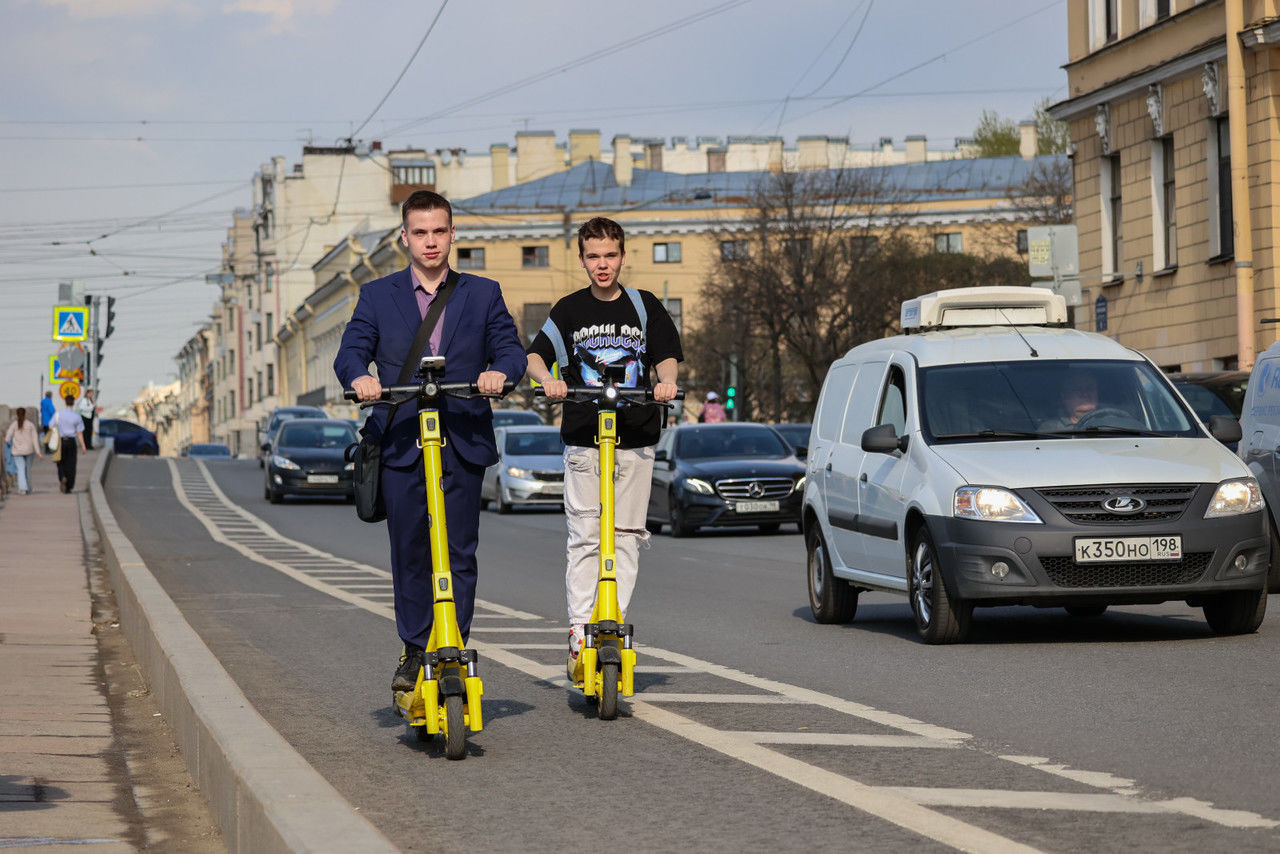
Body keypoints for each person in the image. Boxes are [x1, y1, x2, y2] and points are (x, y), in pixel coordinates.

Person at [334, 190, 527, 692]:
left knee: (460, 550)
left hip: (461, 437)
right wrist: (360, 378)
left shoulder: (481, 293)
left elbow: (510, 348)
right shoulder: (378, 296)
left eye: (439, 231)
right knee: (411, 551)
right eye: (420, 232)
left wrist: (498, 374)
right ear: (404, 238)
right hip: (401, 440)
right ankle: (416, 646)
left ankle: (453, 645)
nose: (430, 242)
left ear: (452, 234)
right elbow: (350, 351)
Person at [524, 216, 682, 680]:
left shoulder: (643, 305)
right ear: (582, 259)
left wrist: (666, 382)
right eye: (593, 256)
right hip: (583, 437)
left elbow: (666, 354)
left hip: (635, 434)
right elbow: (534, 355)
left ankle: (609, 621)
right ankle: (579, 630)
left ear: (623, 255)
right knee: (586, 535)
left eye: (610, 255)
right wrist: (549, 379)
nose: (602, 265)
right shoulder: (569, 310)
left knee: (628, 535)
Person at [52, 394, 87, 493]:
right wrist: (83, 446)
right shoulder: (77, 416)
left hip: (61, 441)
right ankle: (69, 486)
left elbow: (51, 426)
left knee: (60, 462)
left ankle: (62, 476)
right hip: (71, 442)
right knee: (71, 464)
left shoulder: (58, 415)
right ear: (73, 403)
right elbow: (79, 432)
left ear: (65, 402)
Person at [5, 407, 43, 494]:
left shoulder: (14, 425)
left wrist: (9, 443)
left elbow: (7, 437)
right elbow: (35, 439)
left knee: (20, 469)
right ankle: (28, 487)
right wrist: (38, 452)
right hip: (29, 450)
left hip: (17, 451)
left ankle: (22, 488)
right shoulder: (30, 425)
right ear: (25, 414)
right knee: (27, 470)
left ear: (17, 415)